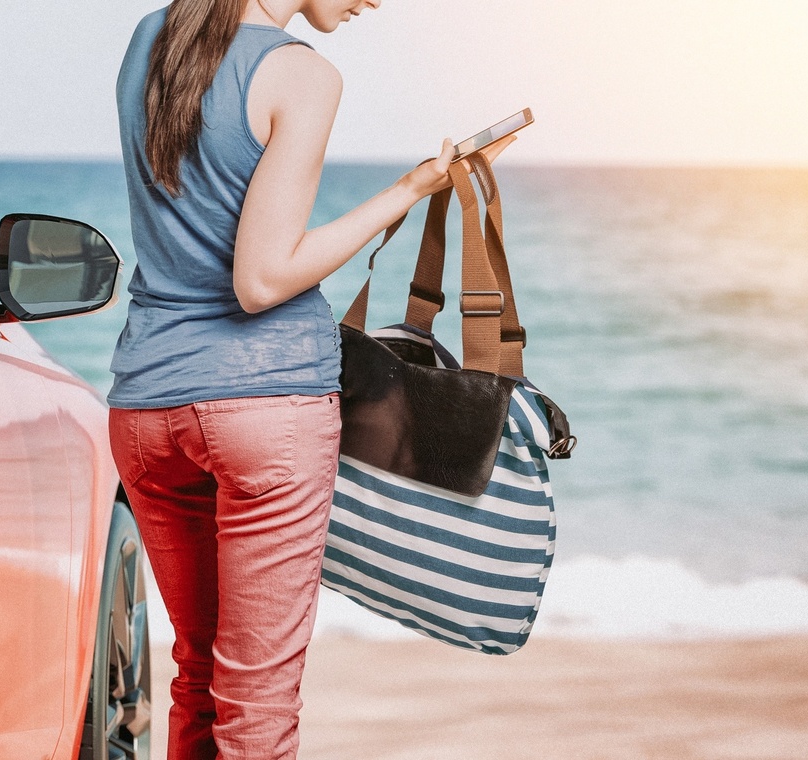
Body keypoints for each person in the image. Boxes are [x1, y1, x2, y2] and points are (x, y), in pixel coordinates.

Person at [109, 1, 514, 757]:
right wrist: (405, 192)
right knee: (257, 697)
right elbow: (261, 280)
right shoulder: (301, 75)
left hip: (146, 409)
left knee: (198, 673)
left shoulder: (152, 35)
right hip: (264, 407)